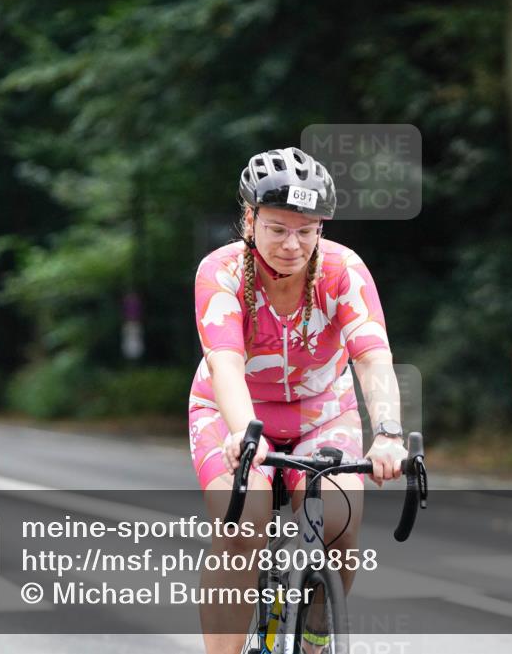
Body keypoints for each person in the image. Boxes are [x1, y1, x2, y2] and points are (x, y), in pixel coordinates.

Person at [189, 147, 408, 654]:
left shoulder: (343, 269)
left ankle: (315, 635)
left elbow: (373, 359)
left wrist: (390, 435)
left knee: (341, 516)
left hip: (323, 411)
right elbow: (224, 363)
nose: (293, 244)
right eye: (278, 228)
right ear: (250, 219)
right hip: (233, 410)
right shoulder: (221, 271)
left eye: (307, 231)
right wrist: (246, 434)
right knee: (243, 524)